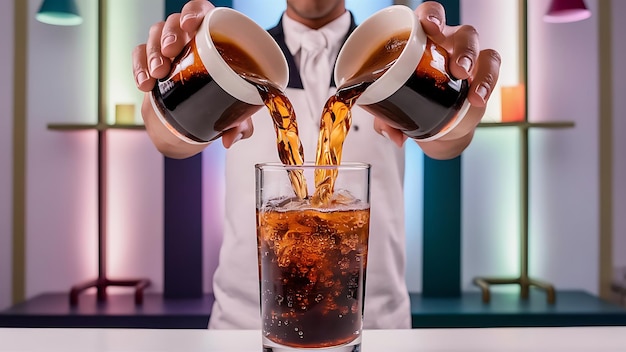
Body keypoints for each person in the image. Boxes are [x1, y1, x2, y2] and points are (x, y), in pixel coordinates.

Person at [132, 0, 501, 329]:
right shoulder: (237, 57)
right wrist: (165, 79)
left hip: (374, 325)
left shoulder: (396, 55)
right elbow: (167, 139)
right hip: (245, 325)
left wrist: (460, 91)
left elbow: (447, 141)